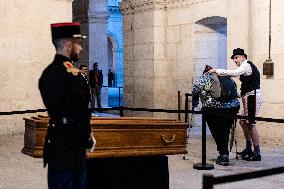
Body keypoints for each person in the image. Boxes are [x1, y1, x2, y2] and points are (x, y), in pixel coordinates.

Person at [38, 22, 95, 189]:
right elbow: (82, 114)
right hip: (73, 147)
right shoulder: (75, 77)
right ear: (68, 45)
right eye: (78, 44)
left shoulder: (47, 74)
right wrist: (88, 139)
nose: (81, 49)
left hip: (55, 143)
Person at [209, 48, 262, 161]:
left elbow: (234, 73)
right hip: (248, 96)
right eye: (234, 58)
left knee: (251, 123)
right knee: (243, 122)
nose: (235, 60)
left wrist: (216, 71)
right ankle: (248, 148)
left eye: (237, 57)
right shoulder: (245, 66)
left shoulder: (246, 65)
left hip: (252, 97)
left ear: (243, 57)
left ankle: (257, 153)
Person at [192, 65, 240, 166]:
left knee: (217, 131)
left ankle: (223, 155)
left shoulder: (205, 77)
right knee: (225, 130)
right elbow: (235, 89)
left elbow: (196, 89)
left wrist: (195, 103)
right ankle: (224, 152)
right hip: (233, 107)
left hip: (214, 108)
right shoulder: (226, 76)